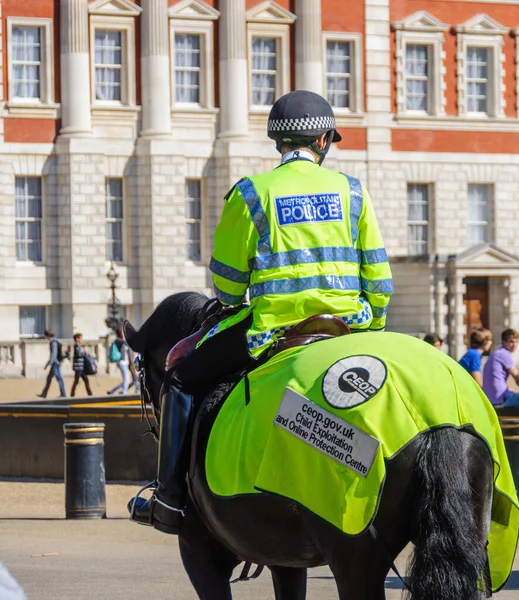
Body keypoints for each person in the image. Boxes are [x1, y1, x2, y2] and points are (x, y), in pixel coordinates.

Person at [129, 90, 394, 534]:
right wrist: (372, 327)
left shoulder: (251, 193)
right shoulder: (353, 192)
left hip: (272, 334)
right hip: (351, 331)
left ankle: (170, 500)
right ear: (325, 140)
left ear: (278, 142)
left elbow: (229, 290)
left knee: (179, 378)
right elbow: (380, 285)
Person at [483, 328, 519, 408]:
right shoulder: (504, 354)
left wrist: (507, 389)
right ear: (504, 342)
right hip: (499, 399)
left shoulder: (497, 353)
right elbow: (516, 377)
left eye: (517, 342)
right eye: (511, 342)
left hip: (491, 397)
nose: (515, 345)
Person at [37, 329, 67, 398]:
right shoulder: (55, 341)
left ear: (47, 336)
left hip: (55, 363)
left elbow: (54, 354)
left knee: (59, 378)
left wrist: (49, 363)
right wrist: (48, 364)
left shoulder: (53, 342)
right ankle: (44, 393)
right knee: (49, 378)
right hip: (55, 363)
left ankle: (63, 394)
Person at [107, 329, 130, 395]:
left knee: (125, 379)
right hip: (122, 362)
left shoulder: (118, 341)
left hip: (122, 362)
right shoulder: (119, 341)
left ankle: (113, 391)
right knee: (126, 378)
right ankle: (124, 392)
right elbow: (128, 344)